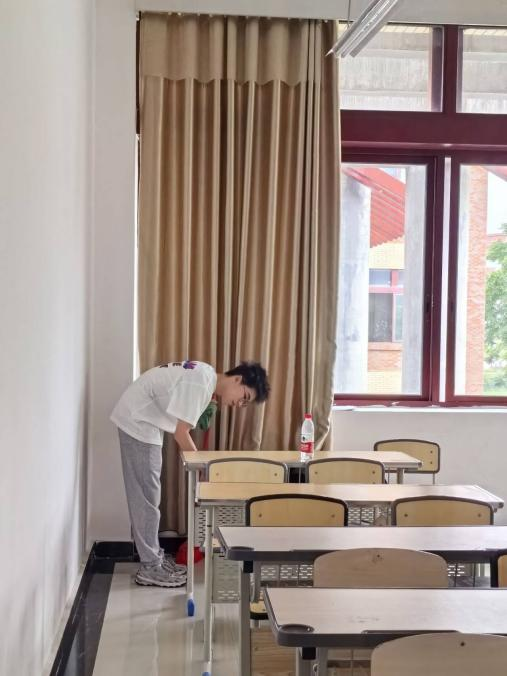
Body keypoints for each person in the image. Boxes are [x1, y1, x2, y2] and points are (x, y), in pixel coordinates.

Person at [110, 360, 270, 588]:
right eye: (244, 397)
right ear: (237, 379)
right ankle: (150, 567)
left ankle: (154, 558)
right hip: (138, 421)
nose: (240, 404)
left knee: (150, 496)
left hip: (144, 420)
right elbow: (181, 434)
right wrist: (203, 470)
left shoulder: (205, 377)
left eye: (245, 403)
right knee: (146, 498)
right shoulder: (201, 383)